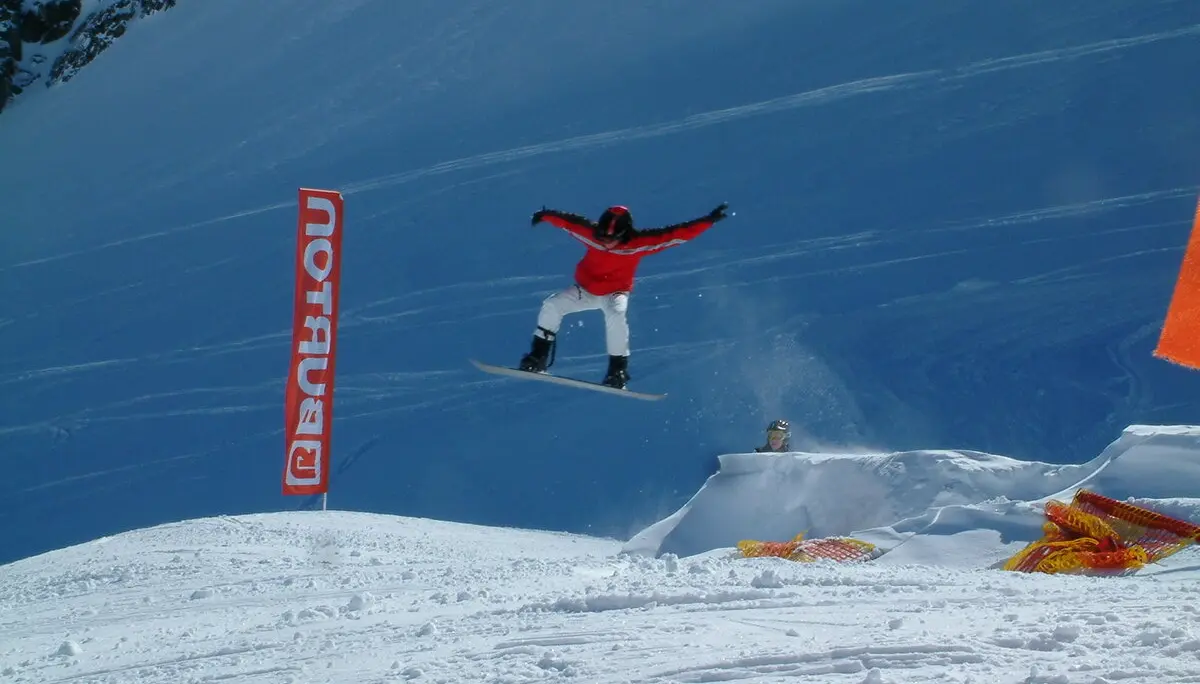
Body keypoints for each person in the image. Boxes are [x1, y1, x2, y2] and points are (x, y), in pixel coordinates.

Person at [519, 202, 730, 388]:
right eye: (602, 236)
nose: (606, 242)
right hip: (585, 290)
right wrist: (543, 215)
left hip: (615, 292)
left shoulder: (638, 243)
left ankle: (617, 371)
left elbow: (676, 234)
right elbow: (567, 221)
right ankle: (537, 358)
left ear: (625, 234)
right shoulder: (590, 234)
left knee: (616, 315)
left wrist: (708, 221)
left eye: (612, 238)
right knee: (552, 305)